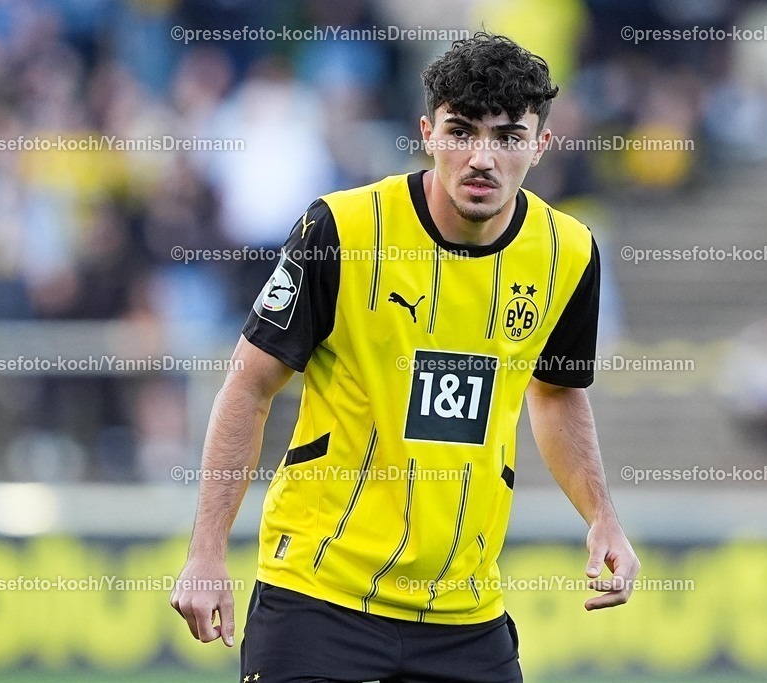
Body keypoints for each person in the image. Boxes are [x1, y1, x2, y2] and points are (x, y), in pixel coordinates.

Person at [170, 32, 640, 683]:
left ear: (540, 145)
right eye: (461, 131)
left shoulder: (569, 252)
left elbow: (556, 391)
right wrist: (206, 552)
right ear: (427, 133)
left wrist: (603, 518)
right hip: (319, 593)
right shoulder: (341, 230)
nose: (482, 157)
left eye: (508, 136)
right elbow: (248, 385)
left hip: (463, 610)